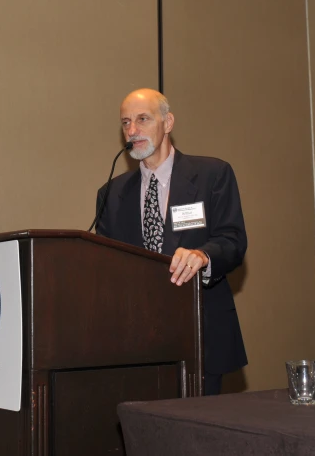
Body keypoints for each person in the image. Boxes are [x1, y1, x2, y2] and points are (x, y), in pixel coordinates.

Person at [95, 88, 248, 395]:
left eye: (142, 119)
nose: (133, 130)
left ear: (168, 122)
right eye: (126, 122)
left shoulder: (212, 174)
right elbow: (105, 266)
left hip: (199, 336)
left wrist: (204, 257)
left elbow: (232, 240)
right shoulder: (110, 194)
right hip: (135, 346)